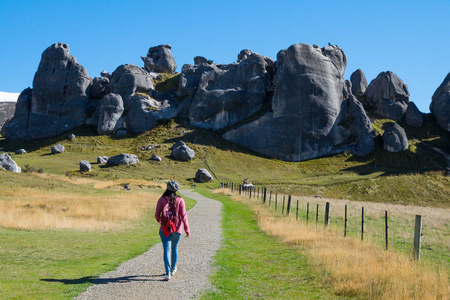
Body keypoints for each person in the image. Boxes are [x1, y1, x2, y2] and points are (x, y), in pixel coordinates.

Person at [154, 180, 190, 281]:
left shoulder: (161, 200)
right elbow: (183, 216)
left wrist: (161, 222)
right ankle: (173, 268)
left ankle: (167, 273)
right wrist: (187, 229)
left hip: (164, 228)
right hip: (177, 229)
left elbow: (157, 215)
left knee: (166, 249)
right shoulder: (180, 200)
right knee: (174, 248)